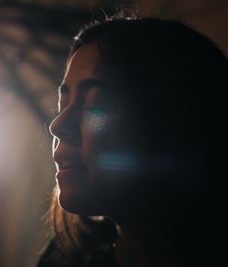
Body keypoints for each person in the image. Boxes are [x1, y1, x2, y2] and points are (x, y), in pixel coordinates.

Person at [37, 13, 227, 267]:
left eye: (95, 105)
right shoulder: (69, 259)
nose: (57, 125)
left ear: (171, 121)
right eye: (62, 105)